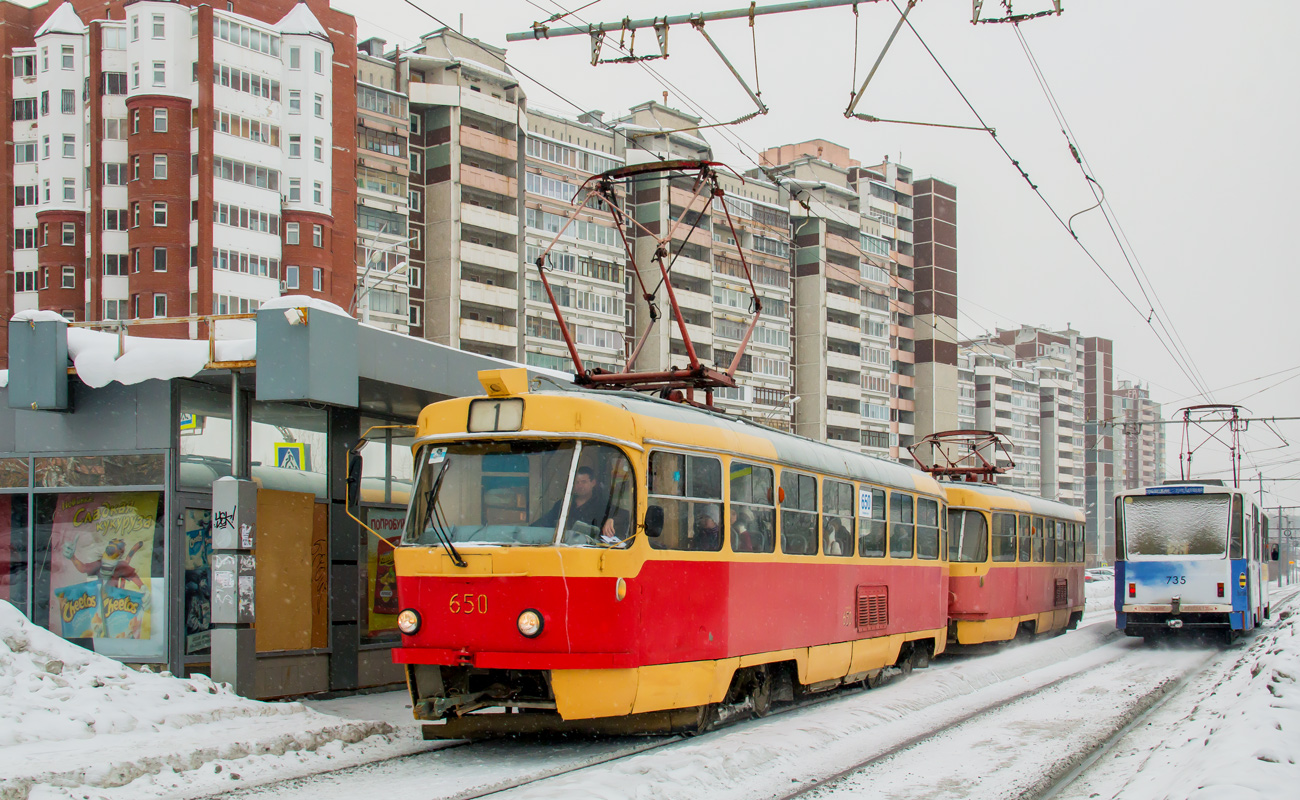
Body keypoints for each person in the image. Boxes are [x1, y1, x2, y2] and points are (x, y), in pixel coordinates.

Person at [535, 465, 628, 542]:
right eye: (577, 482)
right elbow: (545, 521)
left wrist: (612, 519)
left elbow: (624, 514)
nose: (580, 486)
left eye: (584, 482)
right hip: (563, 549)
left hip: (589, 551)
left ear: (593, 483)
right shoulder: (563, 504)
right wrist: (528, 530)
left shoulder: (602, 505)